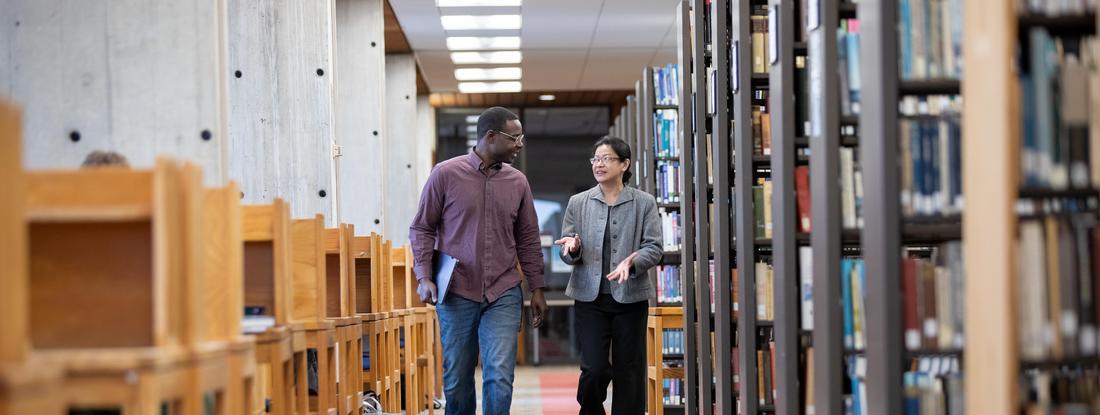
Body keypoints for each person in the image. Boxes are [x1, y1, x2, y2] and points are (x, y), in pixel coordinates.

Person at [409, 106, 548, 415]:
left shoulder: (518, 182)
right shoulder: (445, 174)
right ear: (491, 136)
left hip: (504, 290)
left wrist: (537, 287)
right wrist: (424, 276)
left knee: (499, 376)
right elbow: (421, 227)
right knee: (457, 377)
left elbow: (528, 237)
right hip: (456, 291)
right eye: (515, 138)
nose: (520, 144)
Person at [554, 136, 663, 415]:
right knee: (594, 368)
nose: (599, 164)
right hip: (590, 298)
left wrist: (634, 260)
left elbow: (654, 247)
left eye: (606, 158)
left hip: (630, 298)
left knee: (629, 369)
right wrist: (572, 249)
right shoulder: (579, 203)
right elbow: (566, 249)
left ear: (625, 164)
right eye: (595, 159)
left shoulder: (644, 203)